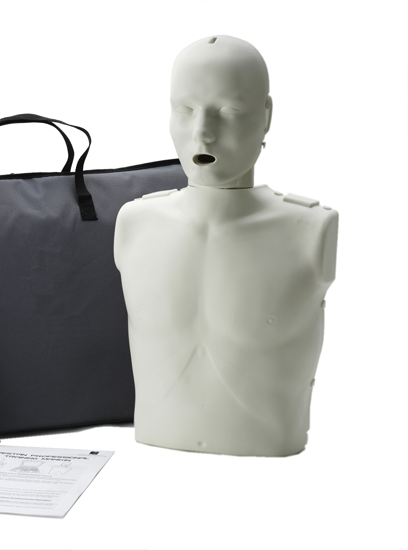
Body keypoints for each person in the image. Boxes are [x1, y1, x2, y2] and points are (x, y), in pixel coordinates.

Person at [114, 35, 338, 456]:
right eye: (185, 110)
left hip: (269, 458)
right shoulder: (135, 222)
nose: (202, 133)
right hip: (153, 448)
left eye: (230, 111)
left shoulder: (309, 229)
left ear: (266, 116)